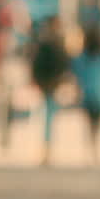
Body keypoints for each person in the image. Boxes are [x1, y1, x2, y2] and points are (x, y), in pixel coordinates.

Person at [69, 27, 100, 164]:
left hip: (87, 96)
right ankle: (98, 152)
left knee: (90, 125)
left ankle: (91, 151)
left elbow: (77, 75)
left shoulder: (82, 57)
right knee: (99, 124)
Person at [30, 18, 69, 166]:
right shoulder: (52, 44)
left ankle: (45, 151)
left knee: (46, 119)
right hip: (49, 86)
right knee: (47, 120)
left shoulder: (46, 43)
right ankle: (45, 151)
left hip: (48, 86)